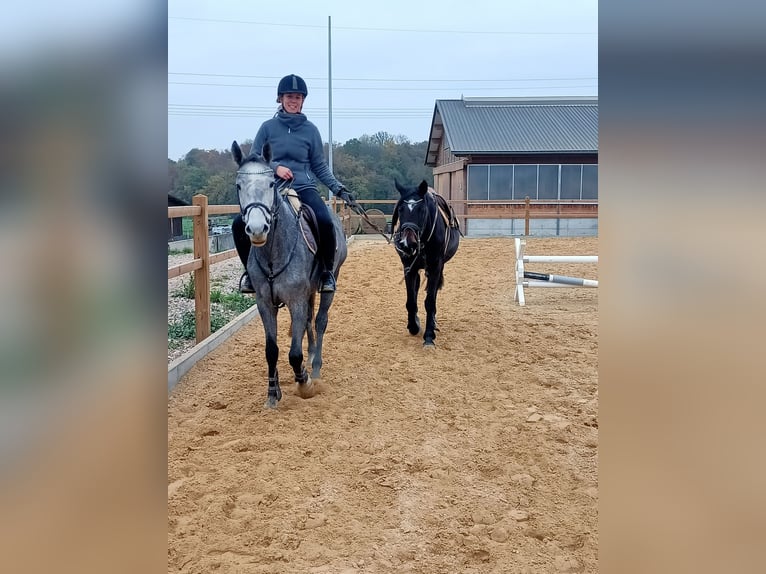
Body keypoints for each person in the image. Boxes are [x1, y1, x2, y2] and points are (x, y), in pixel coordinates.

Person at [232, 74, 356, 294]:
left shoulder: (311, 131)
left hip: (304, 187)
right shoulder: (267, 127)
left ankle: (326, 273)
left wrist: (339, 188)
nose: (294, 100)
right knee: (238, 224)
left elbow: (319, 166)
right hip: (272, 188)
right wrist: (276, 166)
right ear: (280, 99)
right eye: (290, 96)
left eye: (298, 97)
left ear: (303, 101)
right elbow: (253, 159)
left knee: (325, 221)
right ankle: (249, 274)